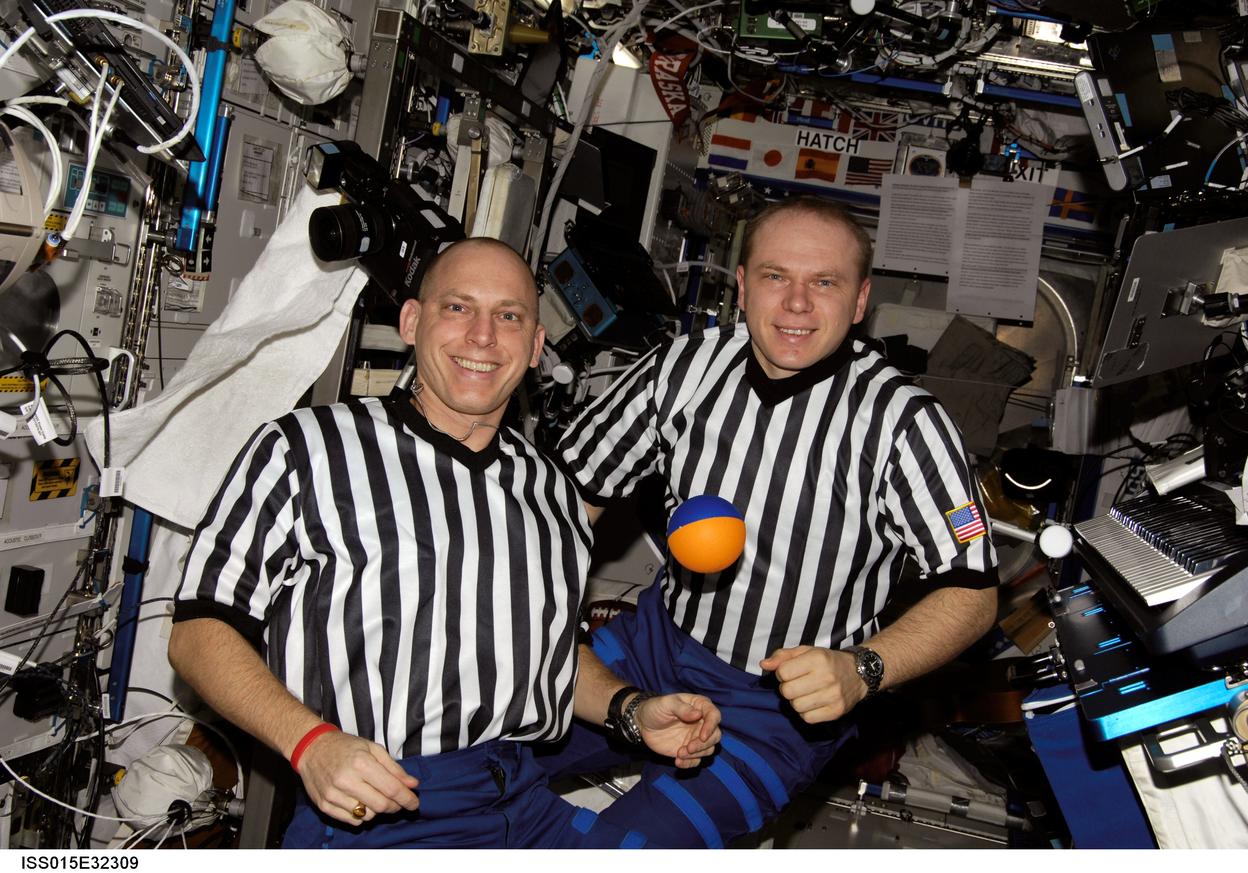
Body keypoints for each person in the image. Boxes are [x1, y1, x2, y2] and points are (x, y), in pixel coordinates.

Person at [168, 237, 721, 849]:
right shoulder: (306, 450)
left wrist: (630, 710)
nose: (483, 336)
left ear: (536, 346)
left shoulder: (552, 494)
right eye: (458, 307)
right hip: (380, 810)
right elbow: (198, 633)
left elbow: (551, 657)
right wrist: (309, 742)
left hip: (521, 799)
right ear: (411, 321)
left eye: (509, 316)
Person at [537, 196, 999, 847]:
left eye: (825, 282)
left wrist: (863, 667)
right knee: (474, 751)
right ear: (745, 284)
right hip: (653, 645)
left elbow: (974, 589)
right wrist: (532, 617)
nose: (798, 303)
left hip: (777, 712)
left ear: (861, 300)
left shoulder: (906, 424)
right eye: (777, 276)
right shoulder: (684, 366)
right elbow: (564, 498)